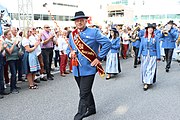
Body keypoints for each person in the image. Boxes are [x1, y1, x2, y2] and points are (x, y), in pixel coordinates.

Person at [67, 11, 112, 120]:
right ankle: (91, 108)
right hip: (77, 68)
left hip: (89, 68)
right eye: (77, 20)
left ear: (85, 21)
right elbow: (68, 49)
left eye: (81, 20)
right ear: (75, 22)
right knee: (85, 91)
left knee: (83, 93)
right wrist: (70, 53)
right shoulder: (72, 35)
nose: (79, 22)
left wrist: (99, 58)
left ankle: (79, 116)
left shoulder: (94, 32)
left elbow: (107, 43)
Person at [138, 23, 161, 91]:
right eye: (149, 28)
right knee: (144, 68)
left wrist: (158, 57)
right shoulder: (143, 38)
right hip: (144, 54)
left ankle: (147, 82)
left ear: (153, 30)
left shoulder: (155, 37)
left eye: (152, 29)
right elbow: (141, 47)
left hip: (152, 55)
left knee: (150, 68)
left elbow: (157, 47)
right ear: (147, 30)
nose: (150, 30)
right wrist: (138, 55)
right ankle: (145, 80)